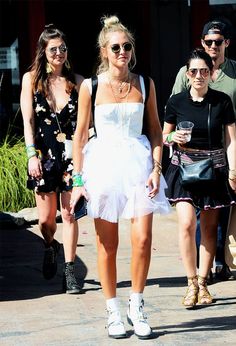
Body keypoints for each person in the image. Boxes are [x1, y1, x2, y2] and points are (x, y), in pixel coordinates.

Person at [71, 15, 170, 339]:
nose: (122, 52)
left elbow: (155, 132)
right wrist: (78, 182)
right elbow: (81, 135)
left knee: (142, 239)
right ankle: (113, 310)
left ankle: (136, 304)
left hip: (140, 165)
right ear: (104, 51)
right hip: (103, 165)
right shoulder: (90, 86)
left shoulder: (146, 84)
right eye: (116, 47)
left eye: (127, 46)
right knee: (107, 244)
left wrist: (156, 169)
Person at [163, 48, 236, 308]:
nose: (198, 76)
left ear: (212, 73)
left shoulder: (222, 101)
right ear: (187, 73)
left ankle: (204, 283)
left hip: (214, 169)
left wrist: (233, 170)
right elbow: (163, 136)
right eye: (193, 71)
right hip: (183, 168)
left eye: (204, 71)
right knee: (185, 225)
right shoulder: (176, 102)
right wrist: (173, 138)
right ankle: (191, 281)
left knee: (208, 228)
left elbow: (231, 140)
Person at [20, 24, 84, 294]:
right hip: (44, 158)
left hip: (71, 158)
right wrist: (31, 155)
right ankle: (50, 245)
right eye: (53, 49)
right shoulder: (31, 80)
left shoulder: (78, 82)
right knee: (47, 221)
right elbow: (28, 122)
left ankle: (69, 273)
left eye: (63, 48)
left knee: (69, 215)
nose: (59, 53)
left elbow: (85, 126)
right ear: (43, 51)